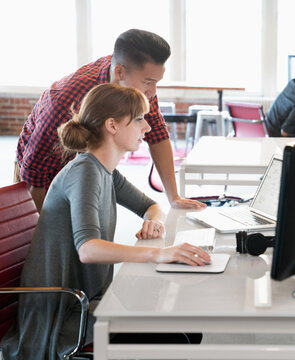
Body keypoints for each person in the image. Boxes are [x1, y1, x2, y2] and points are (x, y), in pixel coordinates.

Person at [1, 83, 211, 359]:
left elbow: (151, 206)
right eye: (138, 120)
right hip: (61, 318)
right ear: (112, 126)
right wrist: (159, 253)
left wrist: (154, 222)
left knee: (185, 325)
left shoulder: (105, 171)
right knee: (178, 338)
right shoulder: (84, 172)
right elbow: (88, 249)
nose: (147, 128)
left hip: (86, 302)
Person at [15, 28, 205, 212]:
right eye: (148, 82)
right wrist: (35, 239)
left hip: (88, 168)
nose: (153, 92)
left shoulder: (137, 86)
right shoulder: (66, 100)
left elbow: (157, 134)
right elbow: (34, 177)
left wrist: (174, 197)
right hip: (41, 173)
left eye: (157, 82)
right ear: (120, 72)